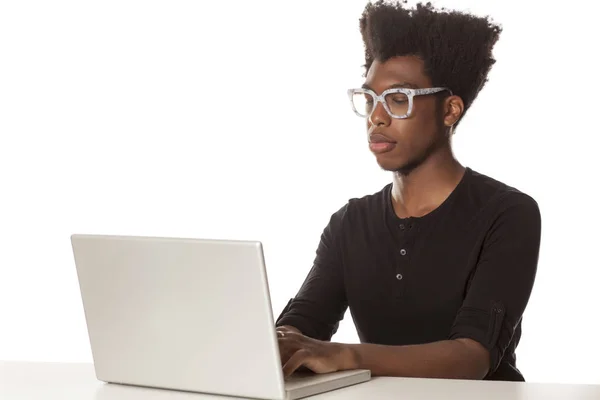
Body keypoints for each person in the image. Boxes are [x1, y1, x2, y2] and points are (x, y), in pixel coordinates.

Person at [275, 0, 541, 382]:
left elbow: (472, 357)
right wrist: (280, 341)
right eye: (369, 98)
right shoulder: (351, 223)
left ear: (450, 110)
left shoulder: (507, 213)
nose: (376, 117)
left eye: (399, 99)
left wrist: (344, 354)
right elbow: (303, 324)